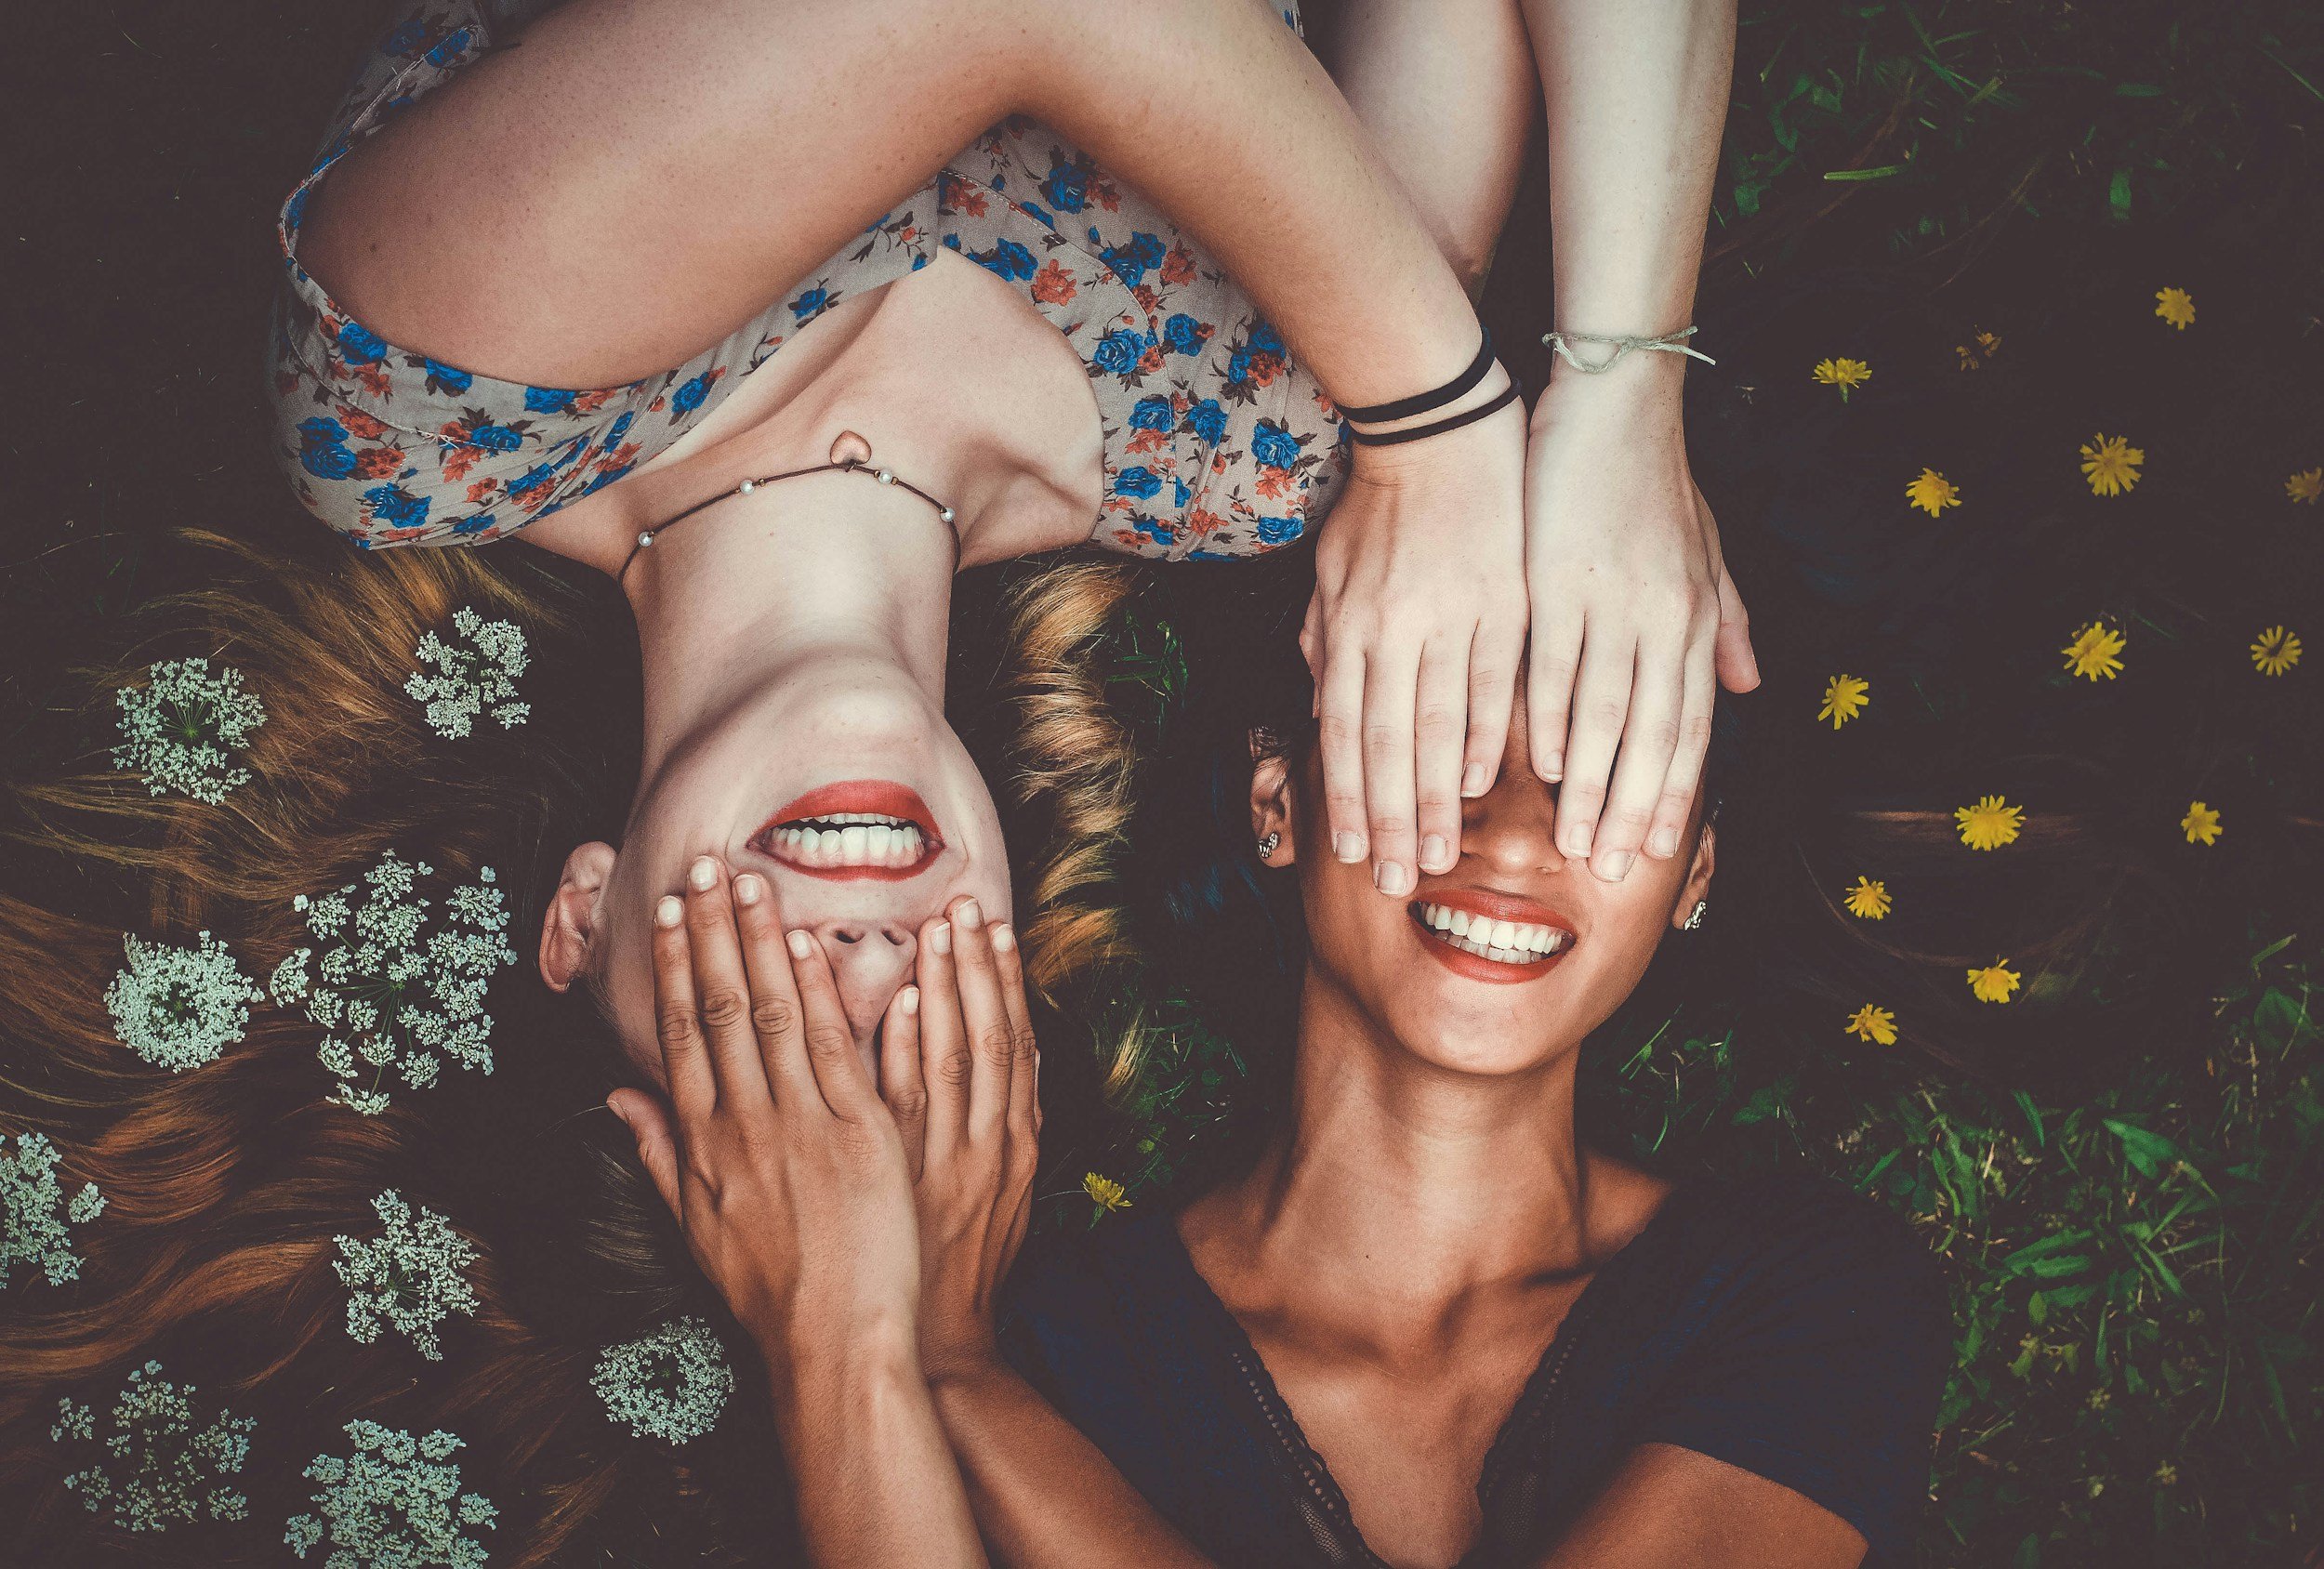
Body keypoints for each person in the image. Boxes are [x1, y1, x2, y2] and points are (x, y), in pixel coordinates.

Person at [267, 0, 1758, 1077]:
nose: (862, 966)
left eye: (756, 1029)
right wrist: (1626, 397)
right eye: (926, 1049)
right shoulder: (1237, 453)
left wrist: (1440, 422)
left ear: (583, 920)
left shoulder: (428, 418)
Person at [624, 643, 1953, 1566]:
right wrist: (851, 1353)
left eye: (1607, 765)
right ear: (1281, 799)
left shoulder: (1815, 1294)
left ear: (1695, 868)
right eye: (1436, 731)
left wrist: (934, 1375)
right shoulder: (1064, 1348)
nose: (1512, 830)